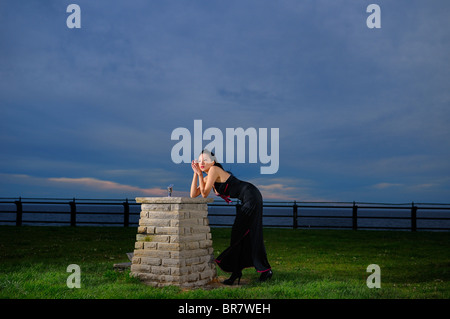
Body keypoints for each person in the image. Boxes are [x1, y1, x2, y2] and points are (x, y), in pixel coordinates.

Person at [190, 149, 272, 285]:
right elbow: (194, 194)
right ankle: (250, 271)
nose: (202, 162)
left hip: (251, 195)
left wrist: (199, 174)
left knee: (241, 234)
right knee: (244, 235)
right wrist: (195, 174)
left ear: (213, 161)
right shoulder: (208, 176)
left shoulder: (214, 170)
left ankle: (249, 271)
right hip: (247, 198)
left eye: (205, 159)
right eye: (199, 160)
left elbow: (204, 194)